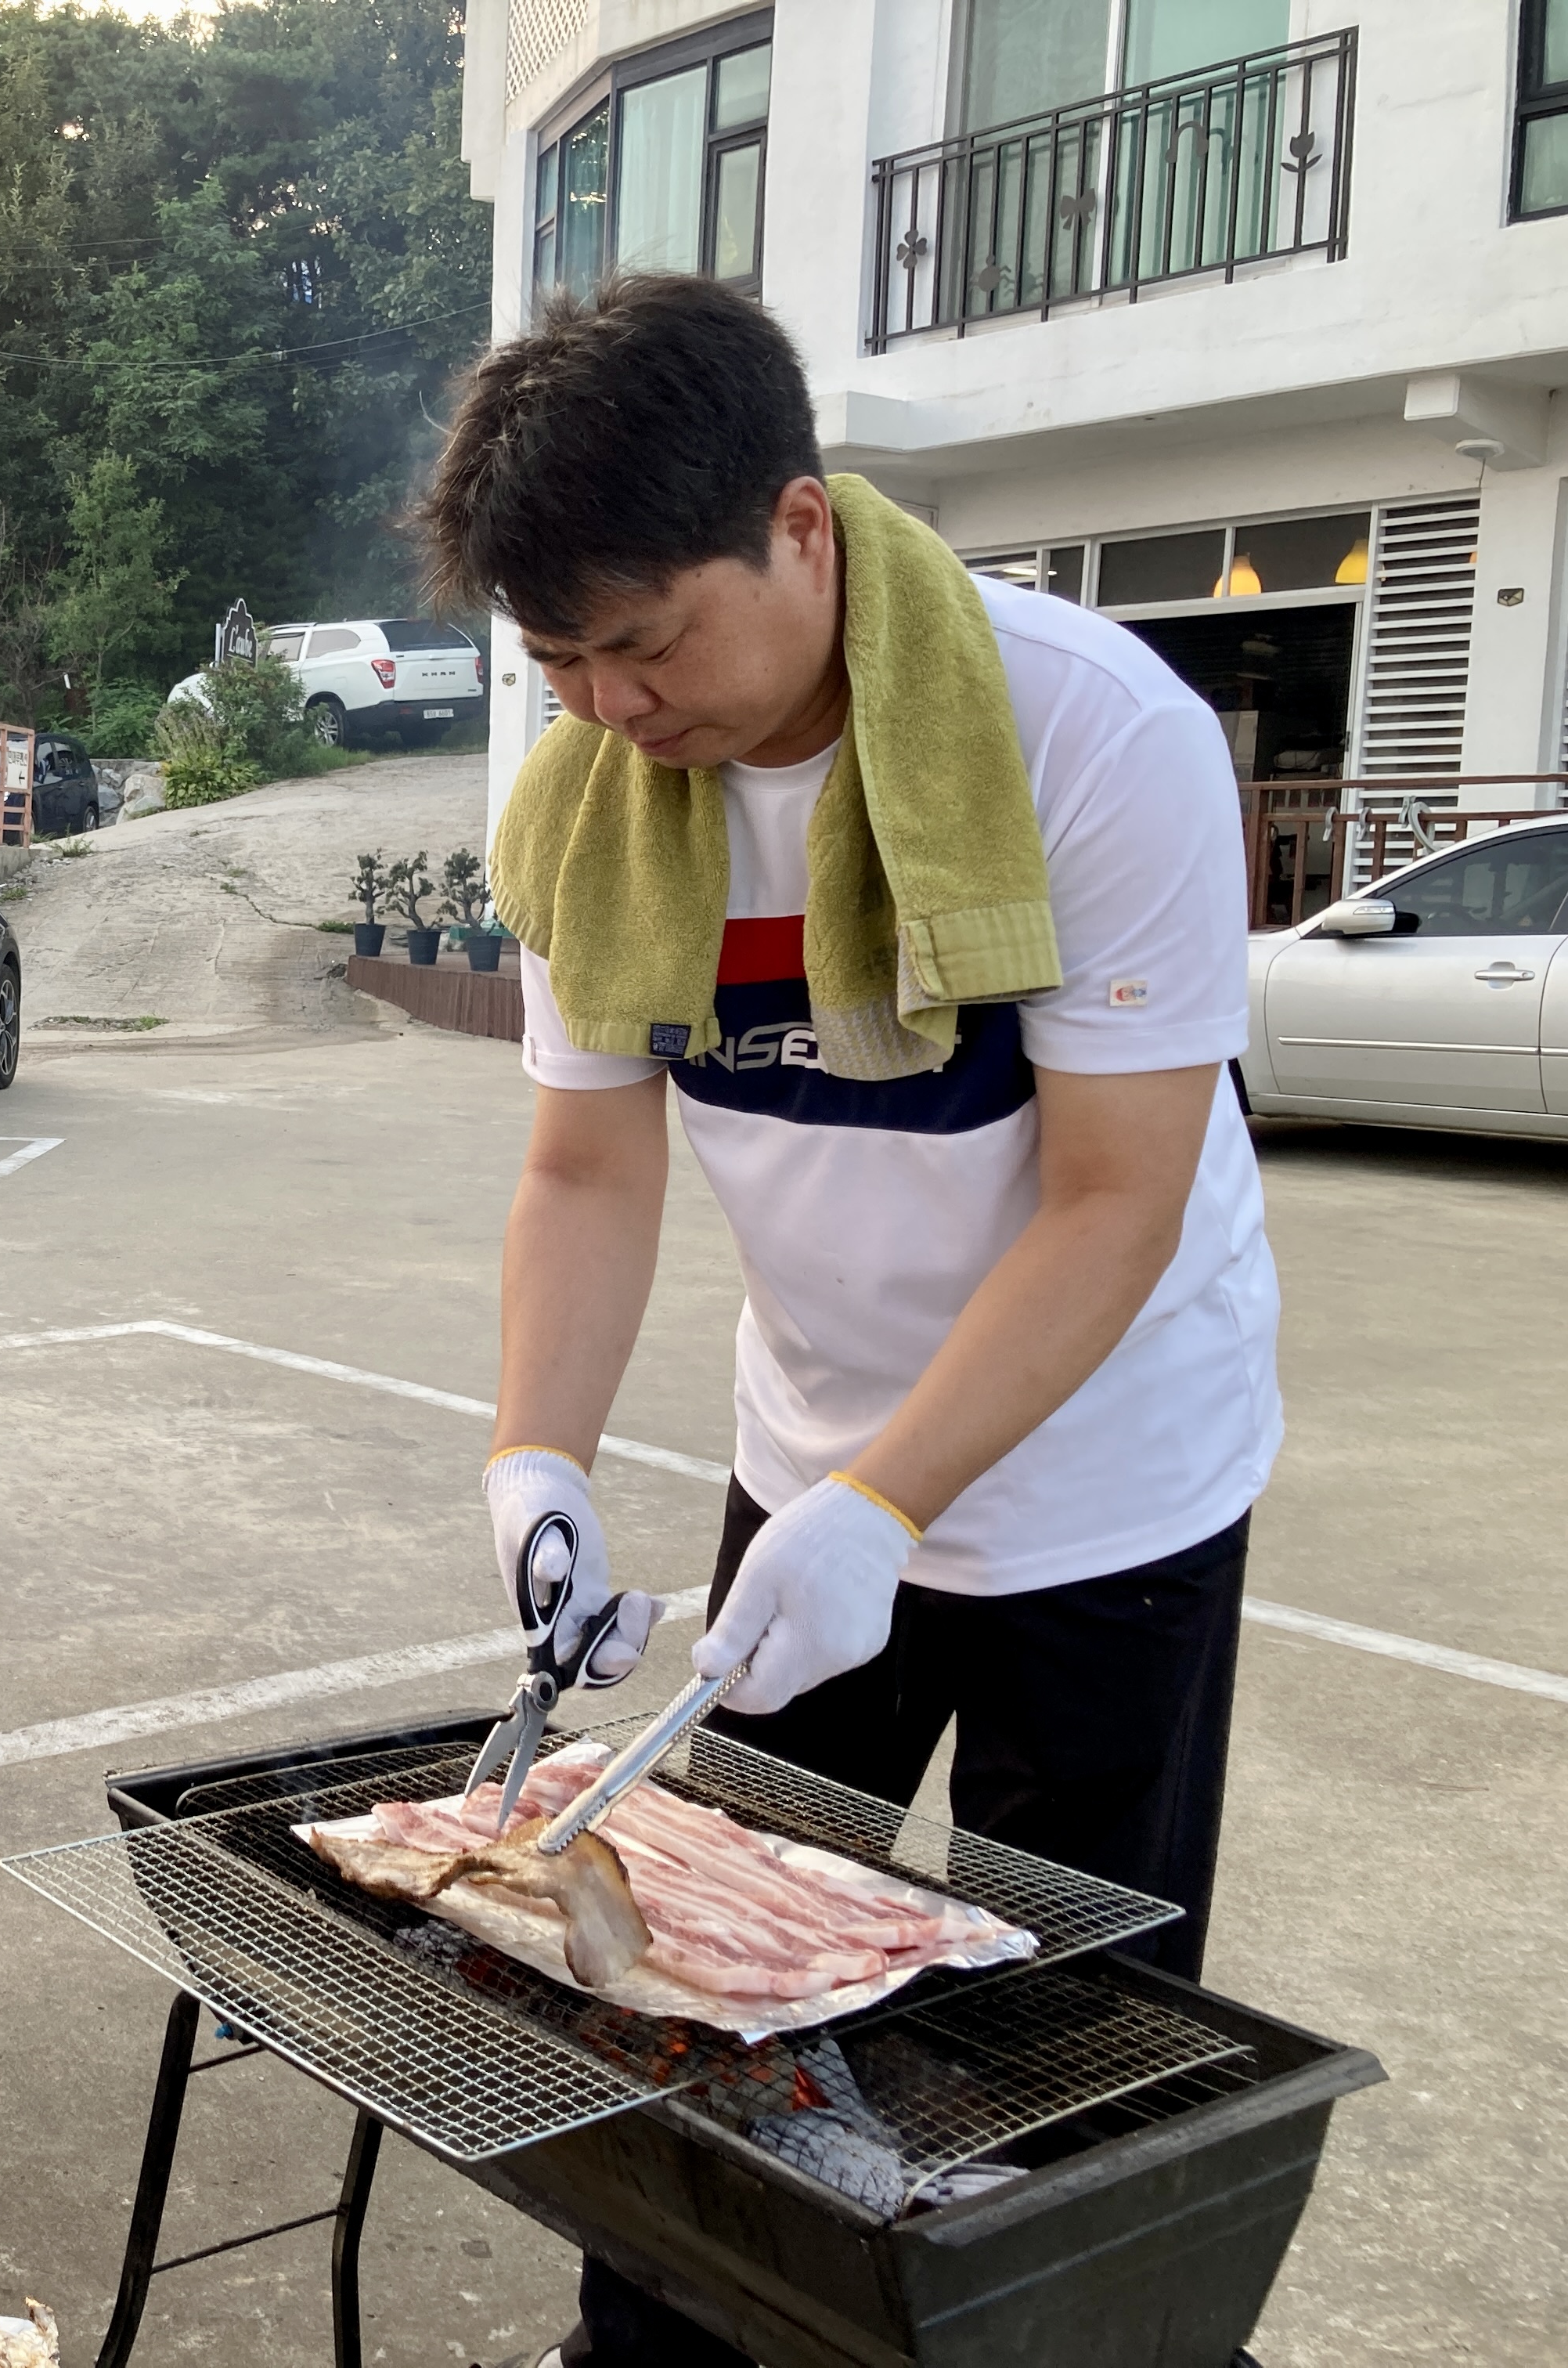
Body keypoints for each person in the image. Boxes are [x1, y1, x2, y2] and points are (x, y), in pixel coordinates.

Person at [418, 276, 1280, 2368]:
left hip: (1110, 1486)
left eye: (645, 642)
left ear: (800, 529)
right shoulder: (591, 805)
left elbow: (1116, 1199)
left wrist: (895, 1504)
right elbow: (587, 1168)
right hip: (807, 1467)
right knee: (684, 1967)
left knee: (1065, 2036)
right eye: (559, 661)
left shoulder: (1091, 735)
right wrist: (538, 1456)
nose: (610, 706)